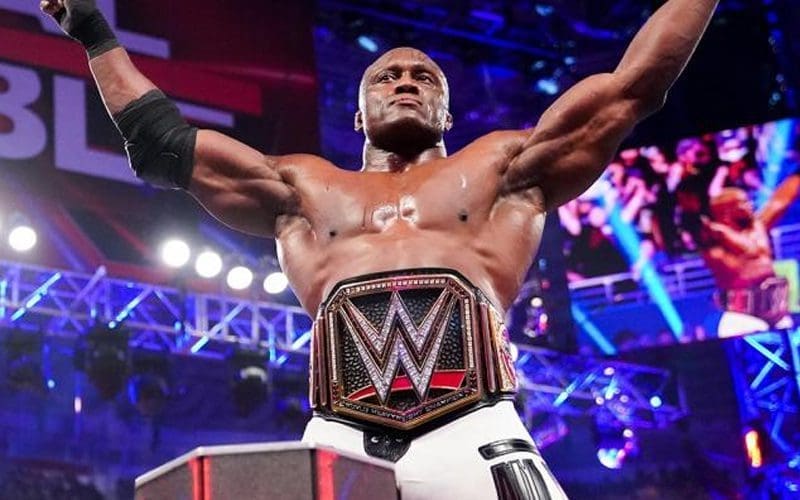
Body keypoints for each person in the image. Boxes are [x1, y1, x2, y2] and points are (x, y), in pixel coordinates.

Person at [40, 0, 718, 497]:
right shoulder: (302, 188)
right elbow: (161, 145)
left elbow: (635, 85)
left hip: (474, 428)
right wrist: (95, 35)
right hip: (340, 435)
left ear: (447, 113)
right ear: (358, 112)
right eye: (387, 77)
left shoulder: (502, 168)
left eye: (424, 77)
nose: (405, 82)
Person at [700, 174, 800, 337]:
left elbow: (779, 202)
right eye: (743, 202)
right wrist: (724, 233)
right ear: (727, 211)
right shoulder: (715, 248)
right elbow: (746, 260)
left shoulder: (758, 226)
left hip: (778, 313)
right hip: (743, 318)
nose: (750, 204)